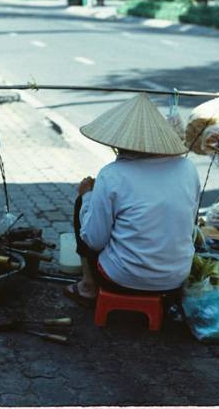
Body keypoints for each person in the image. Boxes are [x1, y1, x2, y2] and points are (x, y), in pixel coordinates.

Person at [64, 93, 201, 307]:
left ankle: (88, 286)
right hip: (176, 276)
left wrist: (88, 195)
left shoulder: (112, 174)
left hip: (123, 279)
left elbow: (93, 239)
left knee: (83, 203)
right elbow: (189, 224)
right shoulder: (188, 168)